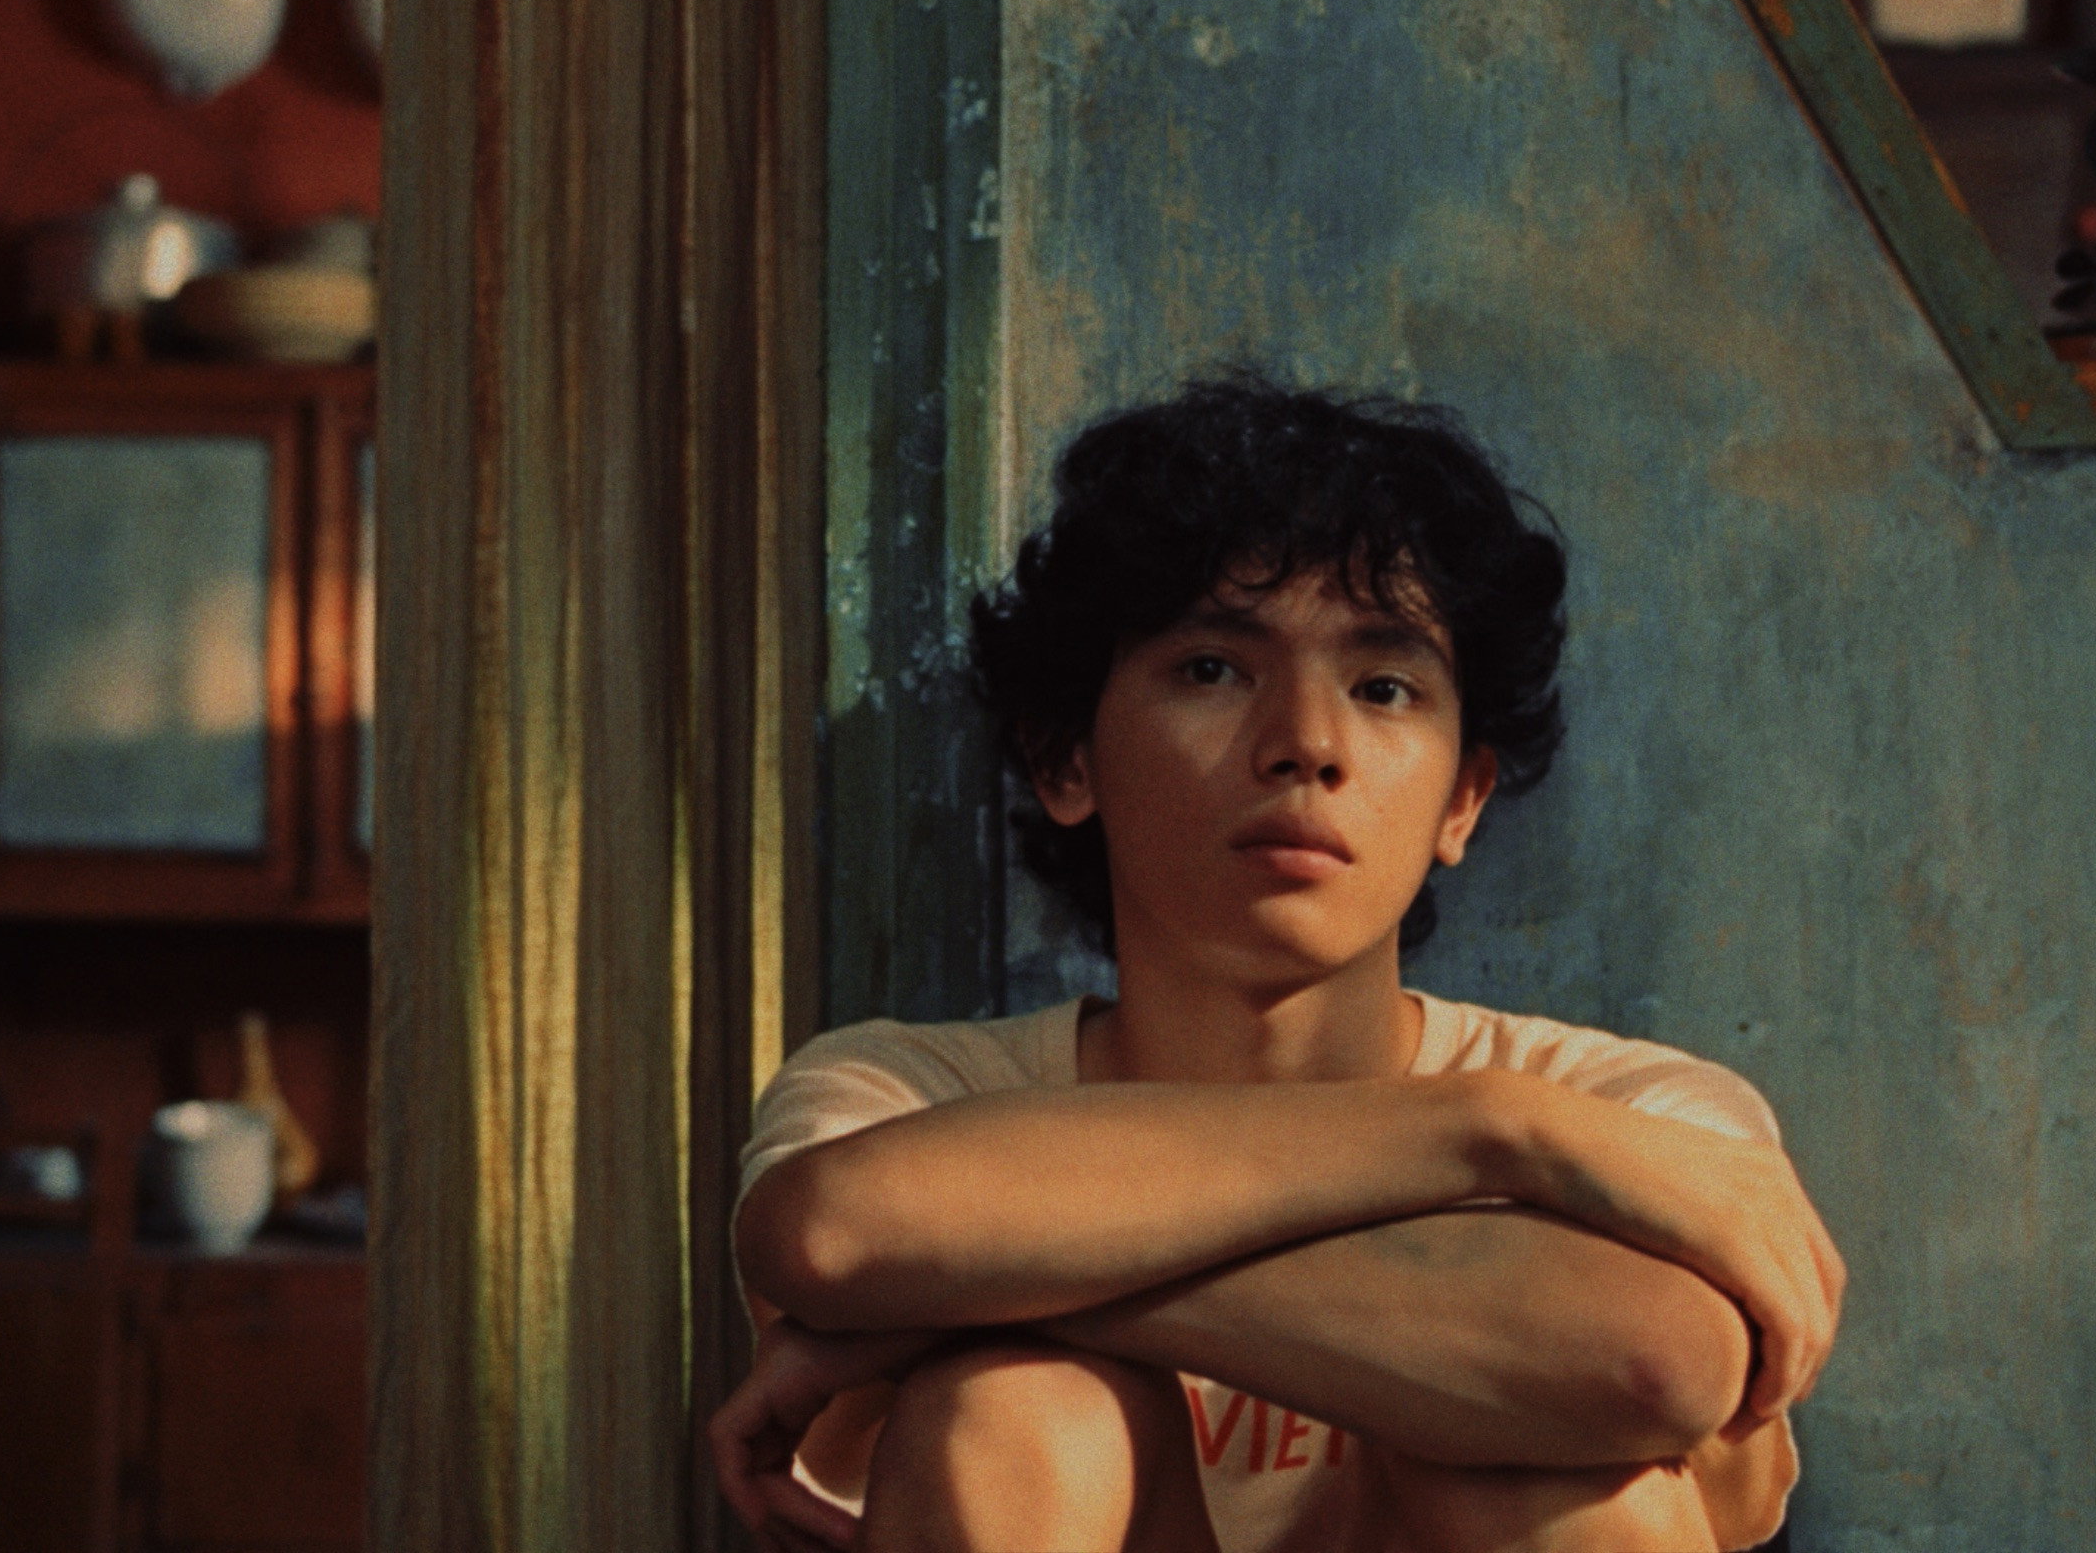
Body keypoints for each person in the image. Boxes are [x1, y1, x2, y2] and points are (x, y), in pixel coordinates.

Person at [709, 375, 1843, 1553]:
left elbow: (1650, 1358)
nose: (1306, 742)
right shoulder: (908, 1092)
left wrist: (951, 1293)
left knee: (1542, 1476)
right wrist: (1490, 1131)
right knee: (1011, 1408)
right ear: (1064, 759)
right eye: (1212, 668)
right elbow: (834, 1229)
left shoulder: (1632, 1108)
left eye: (1383, 687)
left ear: (1462, 800)